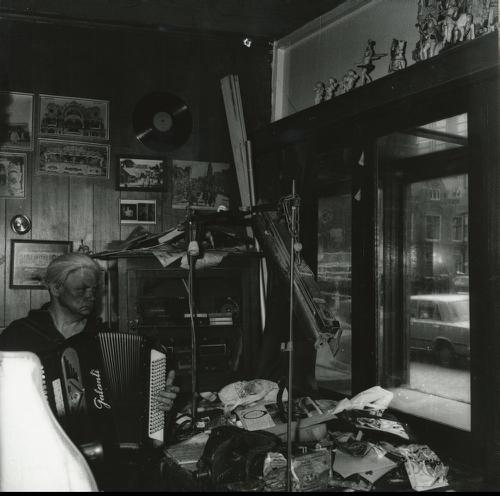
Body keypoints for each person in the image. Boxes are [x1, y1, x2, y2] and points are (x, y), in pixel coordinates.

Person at [0, 252, 179, 414]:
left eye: (93, 290)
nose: (90, 296)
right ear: (56, 289)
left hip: (97, 438)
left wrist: (161, 399)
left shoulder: (106, 340)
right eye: (81, 289)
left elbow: (136, 401)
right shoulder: (19, 335)